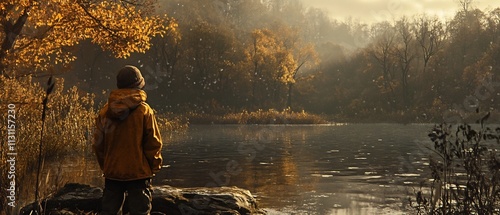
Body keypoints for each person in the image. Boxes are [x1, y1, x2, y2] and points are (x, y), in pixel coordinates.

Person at [93, 65, 163, 215]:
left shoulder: (105, 111)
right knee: (140, 212)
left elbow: (98, 144)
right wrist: (154, 166)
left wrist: (107, 165)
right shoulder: (144, 110)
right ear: (138, 85)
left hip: (113, 172)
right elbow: (153, 143)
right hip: (138, 172)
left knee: (109, 212)